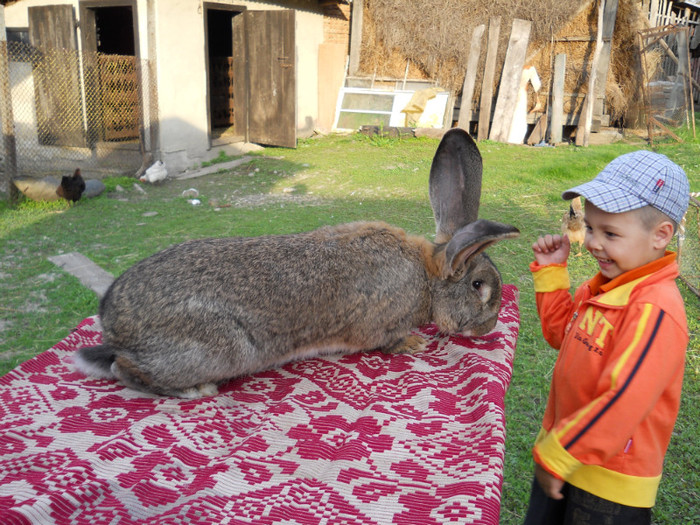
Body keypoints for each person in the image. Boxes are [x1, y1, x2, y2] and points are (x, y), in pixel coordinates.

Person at [524, 150, 690, 524]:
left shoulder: (655, 310)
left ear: (661, 235)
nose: (592, 243)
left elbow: (625, 399)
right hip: (562, 456)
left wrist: (560, 454)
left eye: (610, 233)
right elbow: (561, 335)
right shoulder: (603, 287)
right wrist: (552, 276)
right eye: (592, 228)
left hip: (608, 484)